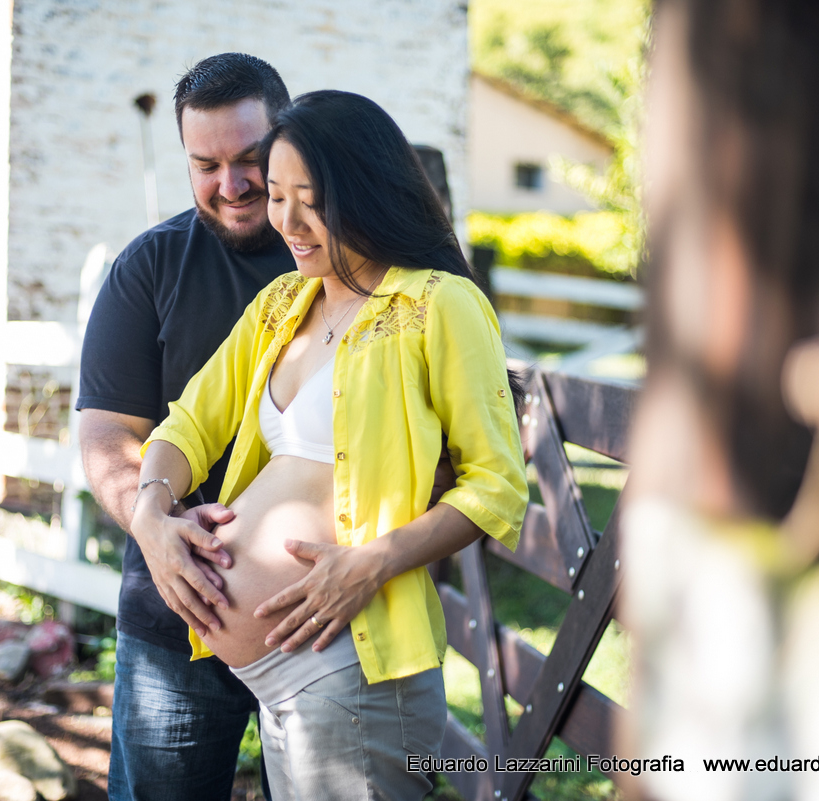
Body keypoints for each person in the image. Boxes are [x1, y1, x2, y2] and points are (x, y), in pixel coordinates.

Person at [131, 90, 529, 800]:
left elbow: (496, 484)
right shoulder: (283, 302)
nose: (285, 219)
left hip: (352, 669)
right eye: (277, 195)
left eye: (308, 199)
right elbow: (188, 423)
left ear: (366, 193)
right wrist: (150, 512)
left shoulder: (436, 304)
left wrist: (372, 563)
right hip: (277, 681)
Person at [76, 53, 294, 801]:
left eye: (250, 160)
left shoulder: (350, 263)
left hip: (326, 627)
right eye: (206, 164)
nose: (230, 185)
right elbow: (106, 436)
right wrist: (152, 525)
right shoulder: (150, 267)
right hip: (178, 624)